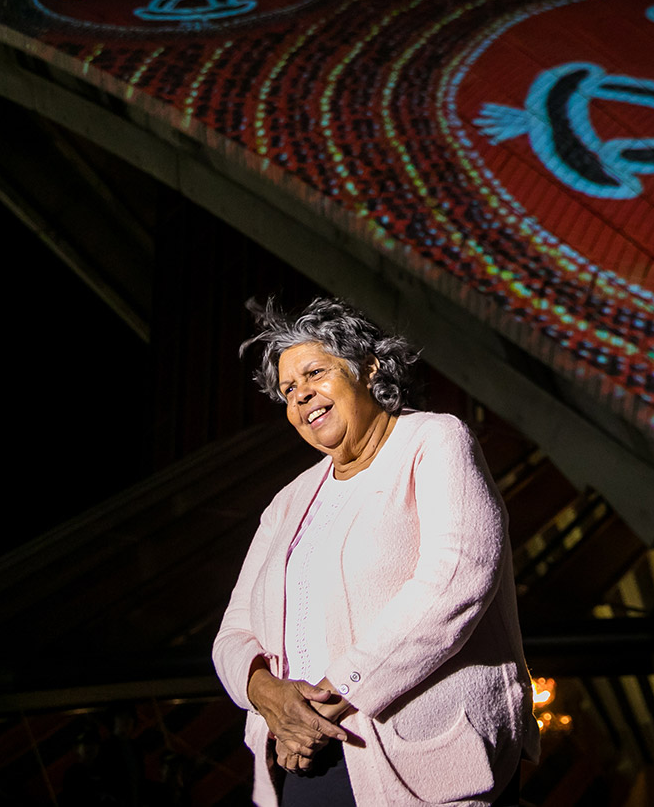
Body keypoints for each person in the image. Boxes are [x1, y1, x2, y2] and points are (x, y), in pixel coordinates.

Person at [213, 297, 540, 807]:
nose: (301, 397)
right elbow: (232, 633)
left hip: (422, 763)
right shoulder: (288, 501)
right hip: (302, 759)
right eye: (288, 390)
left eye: (314, 373)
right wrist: (268, 695)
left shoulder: (433, 440)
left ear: (367, 368)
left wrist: (325, 698)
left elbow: (457, 580)